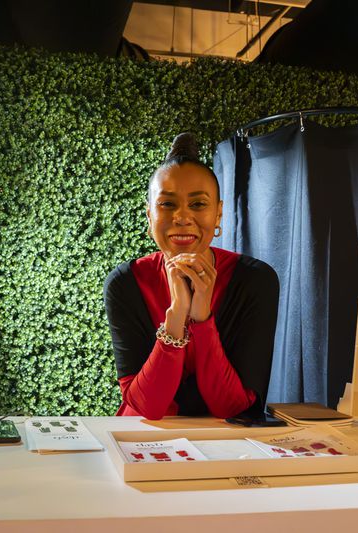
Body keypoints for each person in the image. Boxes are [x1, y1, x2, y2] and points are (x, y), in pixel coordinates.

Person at [104, 132, 279, 420]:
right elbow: (147, 407)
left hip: (225, 443)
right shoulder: (125, 283)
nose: (182, 217)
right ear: (150, 216)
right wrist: (177, 316)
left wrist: (201, 318)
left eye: (198, 204)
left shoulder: (255, 280)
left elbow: (234, 408)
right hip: (144, 440)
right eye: (167, 204)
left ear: (218, 214)